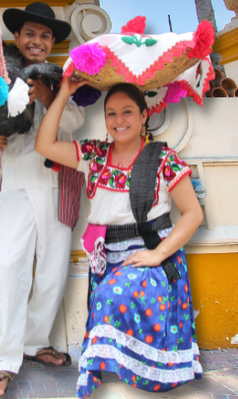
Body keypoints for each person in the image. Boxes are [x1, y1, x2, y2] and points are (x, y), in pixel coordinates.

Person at [35, 78, 204, 397]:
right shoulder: (93, 155)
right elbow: (44, 144)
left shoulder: (163, 160)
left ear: (144, 116)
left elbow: (193, 213)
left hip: (150, 254)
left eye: (127, 112)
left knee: (110, 300)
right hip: (106, 259)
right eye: (111, 113)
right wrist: (65, 94)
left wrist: (157, 255)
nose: (118, 120)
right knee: (108, 314)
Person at [0, 2, 85, 399]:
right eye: (30, 34)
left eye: (45, 36)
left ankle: (35, 342)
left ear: (52, 43)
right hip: (16, 187)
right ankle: (1, 363)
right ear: (17, 39)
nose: (37, 41)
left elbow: (74, 123)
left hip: (57, 185)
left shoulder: (62, 82)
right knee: (7, 268)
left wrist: (47, 96)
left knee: (53, 269)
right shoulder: (0, 76)